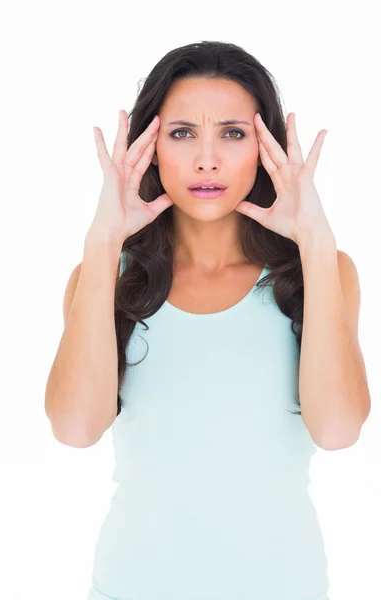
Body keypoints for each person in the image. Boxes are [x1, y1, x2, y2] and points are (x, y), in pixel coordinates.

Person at [45, 40, 370, 600]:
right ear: (149, 147)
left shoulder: (322, 271)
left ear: (266, 146)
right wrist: (103, 241)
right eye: (182, 133)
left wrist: (316, 240)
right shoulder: (101, 275)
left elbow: (339, 432)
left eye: (233, 133)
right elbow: (75, 430)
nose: (207, 160)